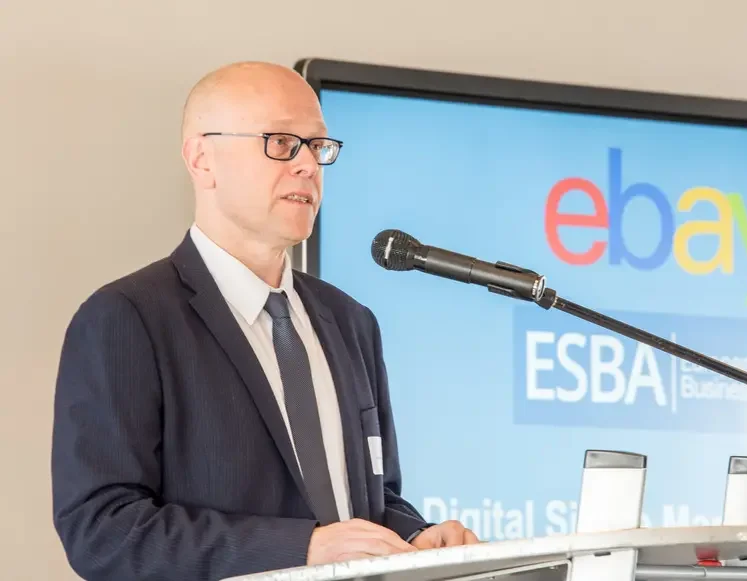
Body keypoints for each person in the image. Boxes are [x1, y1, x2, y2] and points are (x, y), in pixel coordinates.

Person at [51, 61, 478, 581]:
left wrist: (414, 538)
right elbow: (102, 530)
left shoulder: (351, 322)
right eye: (281, 143)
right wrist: (301, 548)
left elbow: (369, 500)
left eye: (318, 147)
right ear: (202, 160)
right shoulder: (127, 318)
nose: (308, 166)